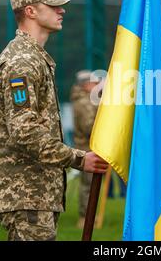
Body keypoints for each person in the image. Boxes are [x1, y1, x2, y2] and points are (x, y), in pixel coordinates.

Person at [0, 0, 108, 241]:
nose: (61, 10)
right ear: (30, 11)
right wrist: (79, 159)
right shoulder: (22, 61)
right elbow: (24, 130)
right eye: (52, 5)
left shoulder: (34, 57)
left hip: (36, 192)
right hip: (27, 193)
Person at [70, 70, 100, 228]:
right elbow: (89, 127)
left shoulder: (86, 100)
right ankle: (85, 217)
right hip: (86, 148)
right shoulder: (83, 102)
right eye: (94, 82)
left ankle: (89, 216)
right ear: (86, 84)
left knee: (88, 184)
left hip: (88, 146)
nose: (96, 85)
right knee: (87, 185)